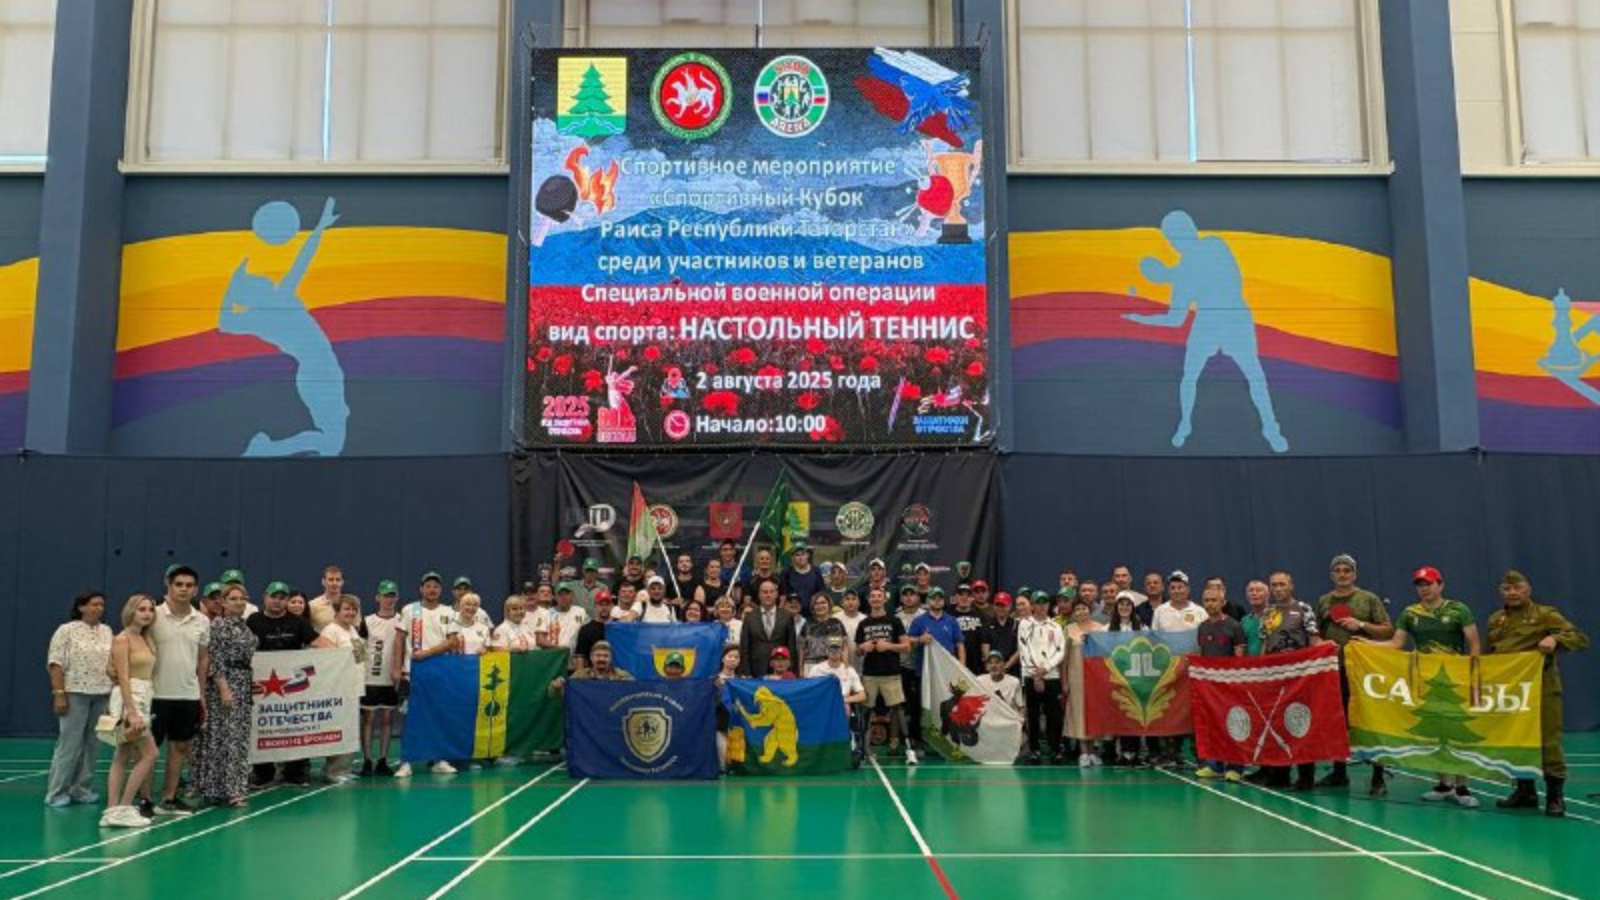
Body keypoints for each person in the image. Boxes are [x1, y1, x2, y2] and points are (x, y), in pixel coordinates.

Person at [1125, 209, 1288, 452]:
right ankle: (1185, 424)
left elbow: (1207, 274)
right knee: (1191, 375)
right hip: (1210, 321)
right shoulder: (1186, 270)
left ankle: (1271, 428)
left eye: (1176, 234)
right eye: (1172, 236)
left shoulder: (1213, 246)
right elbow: (1175, 319)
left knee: (1254, 375)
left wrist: (1166, 276)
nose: (1175, 241)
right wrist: (1142, 318)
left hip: (1232, 317)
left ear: (1189, 230)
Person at [1487, 570, 1590, 817]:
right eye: (1507, 589)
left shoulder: (1545, 614)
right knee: (1516, 739)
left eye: (1517, 588)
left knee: (1548, 741)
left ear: (1528, 590)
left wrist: (1555, 639)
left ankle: (1555, 797)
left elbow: (1579, 638)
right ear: (1501, 592)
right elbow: (1494, 653)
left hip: (1542, 689)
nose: (1512, 593)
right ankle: (1525, 792)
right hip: (1512, 692)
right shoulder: (1496, 619)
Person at [1315, 554, 1394, 794]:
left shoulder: (1368, 599)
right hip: (1334, 670)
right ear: (1332, 575)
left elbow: (1388, 631)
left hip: (1363, 672)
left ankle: (1378, 777)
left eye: (1347, 570)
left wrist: (1361, 625)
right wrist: (1322, 644)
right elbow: (1316, 635)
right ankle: (1339, 772)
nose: (1342, 574)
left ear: (1355, 574)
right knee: (1337, 721)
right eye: (1338, 570)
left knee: (1371, 721)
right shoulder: (1324, 601)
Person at [247, 580, 332, 787]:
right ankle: (263, 772)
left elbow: (319, 641)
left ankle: (295, 772)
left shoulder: (298, 622)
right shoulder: (253, 621)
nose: (277, 601)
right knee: (263, 726)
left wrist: (343, 654)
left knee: (296, 725)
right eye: (274, 597)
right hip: (262, 686)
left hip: (293, 686)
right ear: (265, 597)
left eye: (282, 598)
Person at [147, 566, 210, 818]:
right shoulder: (152, 615)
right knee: (148, 751)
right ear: (169, 586)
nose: (184, 589)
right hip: (154, 695)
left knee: (180, 747)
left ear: (195, 589)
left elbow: (203, 659)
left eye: (189, 585)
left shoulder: (202, 620)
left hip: (187, 695)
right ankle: (144, 800)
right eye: (179, 584)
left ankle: (168, 798)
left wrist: (201, 694)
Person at [1255, 570, 1324, 791]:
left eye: (1282, 584)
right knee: (1277, 723)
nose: (1278, 588)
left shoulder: (1304, 609)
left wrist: (1327, 648)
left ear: (1291, 585)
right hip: (1274, 676)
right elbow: (1264, 644)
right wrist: (1260, 672)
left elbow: (1314, 641)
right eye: (1274, 585)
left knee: (1300, 723)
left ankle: (1306, 776)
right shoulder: (1268, 613)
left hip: (1299, 677)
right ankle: (1280, 774)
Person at [45, 591, 113, 809]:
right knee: (69, 744)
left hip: (101, 694)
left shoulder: (107, 631)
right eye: (94, 604)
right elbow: (55, 663)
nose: (98, 608)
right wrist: (59, 694)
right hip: (75, 693)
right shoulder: (66, 630)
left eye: (101, 605)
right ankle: (56, 792)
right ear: (81, 607)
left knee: (93, 744)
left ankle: (81, 788)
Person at [192, 584, 258, 806]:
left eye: (242, 598)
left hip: (243, 683)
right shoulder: (219, 626)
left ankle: (232, 786)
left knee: (238, 738)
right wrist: (223, 688)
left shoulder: (244, 626)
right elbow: (216, 658)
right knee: (225, 738)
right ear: (223, 602)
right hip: (226, 685)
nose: (238, 602)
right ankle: (227, 790)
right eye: (233, 598)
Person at [100, 595, 160, 828]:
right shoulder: (122, 639)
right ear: (131, 612)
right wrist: (132, 712)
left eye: (150, 610)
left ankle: (112, 811)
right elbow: (123, 677)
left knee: (122, 755)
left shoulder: (146, 638)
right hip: (130, 699)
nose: (147, 614)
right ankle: (124, 807)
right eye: (141, 609)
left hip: (144, 696)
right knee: (150, 754)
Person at [857, 587, 916, 765]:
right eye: (873, 596)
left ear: (885, 599)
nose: (876, 599)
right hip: (869, 673)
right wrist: (863, 648)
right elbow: (857, 650)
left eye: (879, 596)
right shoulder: (863, 623)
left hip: (891, 673)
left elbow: (906, 646)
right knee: (866, 711)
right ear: (869, 600)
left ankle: (909, 750)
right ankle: (864, 750)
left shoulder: (894, 620)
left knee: (898, 710)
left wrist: (888, 646)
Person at [1194, 583, 1246, 781]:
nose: (1210, 604)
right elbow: (1201, 655)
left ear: (1223, 602)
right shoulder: (1202, 627)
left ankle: (1235, 767)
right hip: (1209, 687)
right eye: (1207, 600)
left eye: (1214, 600)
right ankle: (1215, 766)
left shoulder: (1234, 626)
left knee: (1232, 725)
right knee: (1213, 725)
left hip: (1230, 686)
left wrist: (1235, 682)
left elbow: (1240, 658)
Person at [319, 595, 367, 781]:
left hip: (354, 687)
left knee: (350, 730)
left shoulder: (353, 630)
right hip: (339, 688)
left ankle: (344, 768)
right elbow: (327, 662)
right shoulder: (331, 631)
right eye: (346, 609)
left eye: (354, 609)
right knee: (338, 729)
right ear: (337, 611)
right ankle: (334, 771)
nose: (351, 612)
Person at [1018, 590, 1066, 765]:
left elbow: (1060, 650)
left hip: (1051, 675)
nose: (1041, 606)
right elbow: (1024, 649)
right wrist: (1036, 674)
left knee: (1054, 714)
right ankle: (1034, 750)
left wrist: (1046, 668)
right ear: (1032, 605)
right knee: (1033, 715)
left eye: (1044, 602)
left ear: (1048, 605)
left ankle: (1055, 748)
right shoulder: (1024, 624)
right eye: (1037, 603)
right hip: (1031, 675)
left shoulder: (1056, 626)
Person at [360, 581, 402, 777]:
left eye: (392, 595)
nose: (389, 599)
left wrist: (400, 670)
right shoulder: (367, 621)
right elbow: (360, 649)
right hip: (370, 678)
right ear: (378, 598)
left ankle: (383, 760)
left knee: (387, 719)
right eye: (385, 595)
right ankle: (367, 761)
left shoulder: (402, 620)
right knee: (368, 719)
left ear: (397, 598)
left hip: (392, 679)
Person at [808, 637, 867, 763]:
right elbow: (809, 692)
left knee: (845, 708)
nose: (834, 652)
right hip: (822, 704)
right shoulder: (816, 669)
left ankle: (846, 746)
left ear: (842, 651)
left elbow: (862, 695)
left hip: (842, 706)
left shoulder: (849, 671)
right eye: (831, 649)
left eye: (837, 649)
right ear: (826, 650)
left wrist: (844, 699)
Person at [739, 578, 799, 677]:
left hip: (781, 669)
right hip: (756, 669)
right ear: (759, 595)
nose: (768, 595)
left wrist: (792, 672)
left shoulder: (786, 616)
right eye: (765, 592)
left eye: (771, 592)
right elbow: (744, 647)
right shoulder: (750, 617)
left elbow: (791, 647)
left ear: (776, 594)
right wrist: (746, 672)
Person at [572, 590, 613, 672]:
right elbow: (580, 657)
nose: (604, 608)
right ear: (595, 606)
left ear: (612, 606)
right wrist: (580, 676)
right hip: (593, 674)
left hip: (616, 675)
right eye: (601, 605)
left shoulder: (620, 626)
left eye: (607, 604)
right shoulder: (586, 629)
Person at [799, 593, 846, 666]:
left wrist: (845, 667)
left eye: (823, 603)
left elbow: (844, 647)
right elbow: (802, 649)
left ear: (829, 605)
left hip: (832, 664)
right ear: (813, 607)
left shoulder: (836, 624)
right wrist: (801, 669)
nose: (820, 606)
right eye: (816, 604)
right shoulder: (807, 624)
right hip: (811, 664)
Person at [982, 592, 1020, 677]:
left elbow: (1019, 650)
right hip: (993, 670)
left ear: (1009, 607)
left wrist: (1007, 666)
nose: (1001, 608)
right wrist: (992, 665)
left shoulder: (1016, 625)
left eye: (1003, 606)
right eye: (998, 605)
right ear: (994, 607)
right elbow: (985, 647)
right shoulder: (987, 625)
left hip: (1012, 670)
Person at [951, 586, 987, 675]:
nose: (964, 598)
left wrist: (986, 658)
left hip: (976, 664)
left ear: (972, 598)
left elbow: (984, 640)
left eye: (967, 595)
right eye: (961, 595)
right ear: (955, 597)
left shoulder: (980, 615)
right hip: (954, 662)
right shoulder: (949, 615)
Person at [307, 565, 344, 631]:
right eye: (331, 580)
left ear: (342, 582)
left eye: (338, 580)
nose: (334, 583)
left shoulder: (351, 604)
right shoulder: (312, 605)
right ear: (323, 582)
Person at [1240, 580, 1269, 657]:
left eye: (1258, 590)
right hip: (1251, 663)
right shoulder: (1244, 621)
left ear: (1267, 595)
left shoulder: (1276, 616)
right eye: (1251, 591)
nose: (1254, 593)